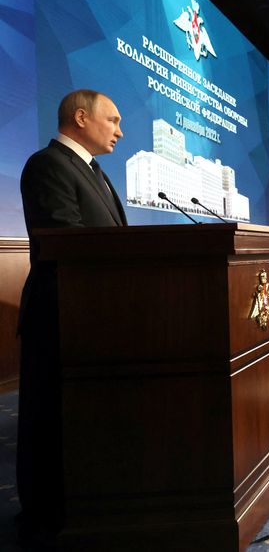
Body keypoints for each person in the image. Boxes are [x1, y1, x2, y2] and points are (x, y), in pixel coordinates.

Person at [17, 89, 127, 542]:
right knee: (52, 419)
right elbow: (66, 241)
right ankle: (48, 514)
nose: (120, 131)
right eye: (113, 120)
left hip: (97, 316)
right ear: (81, 118)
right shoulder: (48, 165)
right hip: (61, 315)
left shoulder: (94, 171)